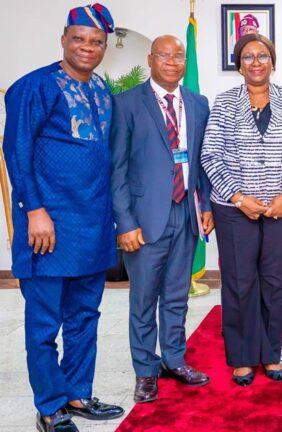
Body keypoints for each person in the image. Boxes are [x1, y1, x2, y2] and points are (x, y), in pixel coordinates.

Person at [2, 4, 124, 431]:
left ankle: (77, 394)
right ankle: (49, 405)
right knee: (43, 323)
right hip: (48, 227)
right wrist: (34, 211)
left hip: (92, 226)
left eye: (96, 42)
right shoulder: (33, 86)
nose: (87, 48)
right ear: (63, 40)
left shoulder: (103, 90)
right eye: (79, 39)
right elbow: (15, 151)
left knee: (85, 318)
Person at [201, 34, 282, 387]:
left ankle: (271, 353)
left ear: (272, 61)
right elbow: (210, 154)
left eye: (262, 56)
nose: (255, 62)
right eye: (248, 57)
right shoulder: (223, 103)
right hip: (234, 208)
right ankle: (242, 356)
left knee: (273, 280)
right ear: (239, 64)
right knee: (239, 281)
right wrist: (237, 197)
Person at [110, 35, 213, 403]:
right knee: (143, 300)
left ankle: (174, 360)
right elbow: (117, 168)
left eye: (178, 57)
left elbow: (200, 161)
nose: (172, 62)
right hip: (144, 218)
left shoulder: (198, 103)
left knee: (175, 297)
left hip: (185, 213)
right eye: (164, 56)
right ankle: (145, 369)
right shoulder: (126, 103)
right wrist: (124, 222)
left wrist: (206, 208)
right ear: (151, 60)